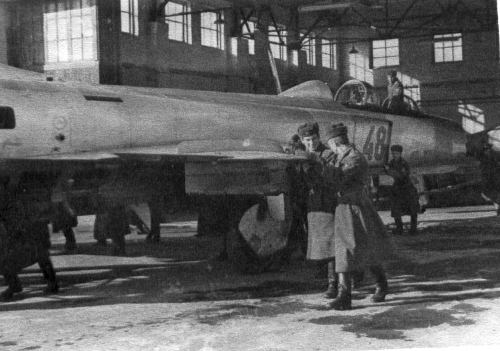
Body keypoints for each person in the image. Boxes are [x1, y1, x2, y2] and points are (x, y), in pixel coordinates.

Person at [325, 123, 392, 310]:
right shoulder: (341, 156)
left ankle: (381, 284)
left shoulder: (355, 158)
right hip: (344, 208)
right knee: (343, 252)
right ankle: (344, 295)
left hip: (357, 208)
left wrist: (320, 164)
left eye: (330, 144)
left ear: (335, 142)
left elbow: (338, 179)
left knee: (367, 249)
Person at [295, 122, 338, 299]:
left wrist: (312, 161)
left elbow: (329, 178)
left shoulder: (328, 154)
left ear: (319, 138)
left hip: (327, 204)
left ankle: (333, 283)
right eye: (307, 140)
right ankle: (328, 275)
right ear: (303, 141)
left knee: (330, 243)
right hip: (312, 205)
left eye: (313, 139)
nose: (311, 143)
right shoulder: (301, 155)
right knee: (319, 243)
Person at [384, 145, 420, 235]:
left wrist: (389, 171)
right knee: (396, 210)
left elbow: (401, 175)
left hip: (407, 188)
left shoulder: (404, 163)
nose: (395, 155)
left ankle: (413, 229)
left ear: (400, 154)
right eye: (393, 153)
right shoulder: (391, 162)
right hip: (398, 189)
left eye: (396, 153)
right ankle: (399, 229)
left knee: (412, 210)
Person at [51, 177, 78, 252]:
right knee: (67, 230)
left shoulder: (57, 192)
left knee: (66, 230)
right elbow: (64, 204)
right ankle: (71, 245)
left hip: (62, 214)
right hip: (64, 214)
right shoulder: (60, 192)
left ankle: (71, 245)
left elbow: (61, 204)